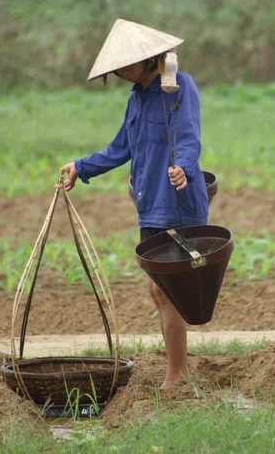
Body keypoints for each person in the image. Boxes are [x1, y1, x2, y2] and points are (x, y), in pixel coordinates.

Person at [58, 19, 208, 389]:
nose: (124, 69)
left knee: (167, 290)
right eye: (119, 65)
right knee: (156, 290)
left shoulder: (180, 87)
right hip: (149, 204)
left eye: (130, 61)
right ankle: (180, 372)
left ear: (149, 57)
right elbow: (120, 149)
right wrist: (80, 166)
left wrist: (184, 169)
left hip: (177, 200)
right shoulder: (137, 99)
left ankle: (176, 377)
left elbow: (189, 136)